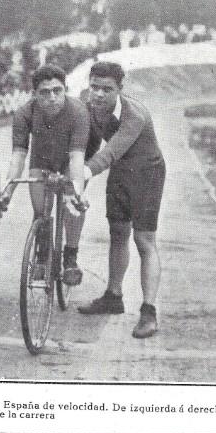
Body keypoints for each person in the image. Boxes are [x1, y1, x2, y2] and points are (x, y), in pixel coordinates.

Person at [77, 61, 167, 339]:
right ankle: (113, 296)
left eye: (107, 89)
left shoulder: (134, 115)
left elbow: (110, 151)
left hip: (146, 172)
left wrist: (82, 173)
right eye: (95, 87)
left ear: (120, 89)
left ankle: (149, 312)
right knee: (117, 233)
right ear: (88, 85)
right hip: (119, 171)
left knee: (143, 240)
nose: (100, 94)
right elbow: (89, 143)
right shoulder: (87, 103)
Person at [0, 64, 91, 286]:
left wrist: (76, 190)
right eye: (45, 92)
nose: (52, 97)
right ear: (34, 94)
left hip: (70, 162)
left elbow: (77, 158)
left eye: (57, 90)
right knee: (41, 212)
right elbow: (18, 156)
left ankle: (70, 258)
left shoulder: (78, 112)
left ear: (65, 89)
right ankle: (41, 255)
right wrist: (7, 190)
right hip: (41, 162)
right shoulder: (24, 113)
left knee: (72, 206)